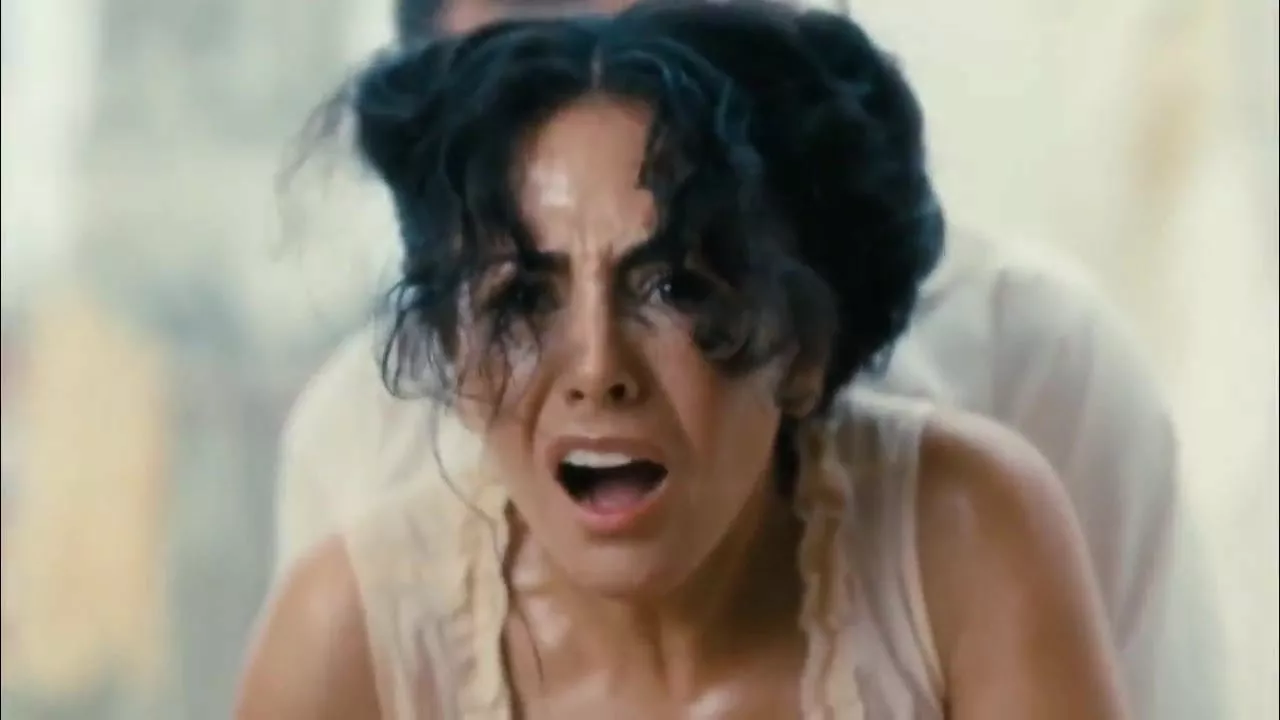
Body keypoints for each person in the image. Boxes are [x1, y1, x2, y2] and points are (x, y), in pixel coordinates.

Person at [274, 0, 1205, 717]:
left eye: (674, 287)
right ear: (450, 354)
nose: (596, 370)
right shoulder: (348, 608)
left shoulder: (980, 501)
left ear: (807, 348)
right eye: (525, 296)